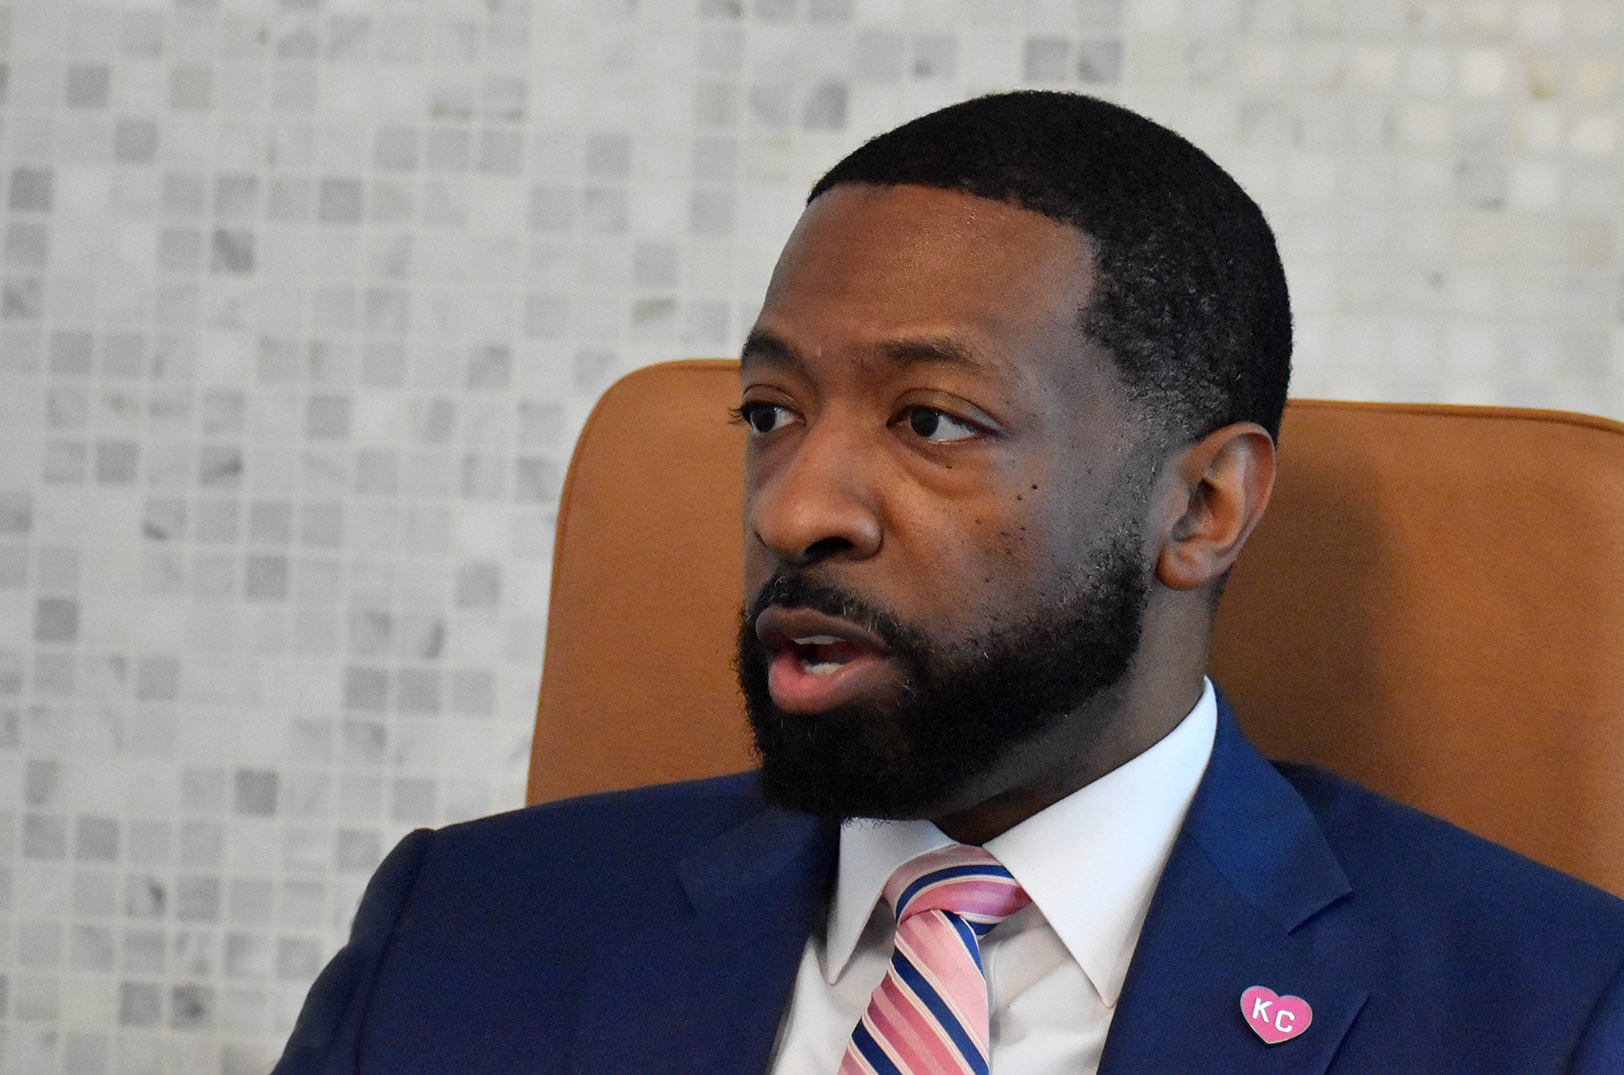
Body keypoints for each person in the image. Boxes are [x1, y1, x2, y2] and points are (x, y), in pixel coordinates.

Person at [273, 91, 1624, 1075]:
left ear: (1201, 507)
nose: (794, 506)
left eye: (932, 421)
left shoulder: (1553, 1012)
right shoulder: (455, 937)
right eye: (769, 415)